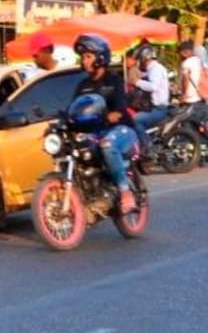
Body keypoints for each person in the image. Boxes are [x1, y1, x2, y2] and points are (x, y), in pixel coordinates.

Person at [71, 34, 140, 214]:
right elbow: (74, 108)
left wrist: (113, 114)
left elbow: (120, 107)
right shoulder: (82, 85)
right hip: (95, 132)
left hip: (122, 130)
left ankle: (126, 193)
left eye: (88, 56)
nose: (84, 61)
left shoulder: (114, 80)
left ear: (101, 57)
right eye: (83, 57)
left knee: (107, 144)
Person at [130, 44, 170, 156]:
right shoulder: (152, 69)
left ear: (144, 58)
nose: (138, 62)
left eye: (139, 59)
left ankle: (148, 147)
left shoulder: (155, 69)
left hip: (159, 109)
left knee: (136, 120)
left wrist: (137, 82)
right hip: (154, 108)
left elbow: (153, 86)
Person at [177, 40, 205, 106]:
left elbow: (186, 78)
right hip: (200, 97)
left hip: (190, 99)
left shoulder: (186, 63)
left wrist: (184, 95)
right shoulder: (199, 61)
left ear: (183, 52)